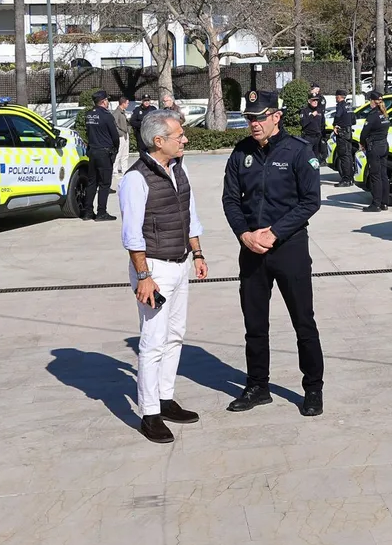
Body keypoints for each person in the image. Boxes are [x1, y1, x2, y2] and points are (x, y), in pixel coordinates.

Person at [221, 92, 325, 417]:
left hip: (289, 247)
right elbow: (230, 200)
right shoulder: (241, 153)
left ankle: (313, 389)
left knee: (303, 322)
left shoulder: (298, 151)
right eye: (249, 118)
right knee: (254, 324)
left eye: (259, 117)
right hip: (252, 249)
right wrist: (245, 234)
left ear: (276, 117)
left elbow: (310, 201)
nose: (254, 124)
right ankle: (257, 386)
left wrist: (275, 232)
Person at [119, 108, 207, 444]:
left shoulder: (178, 168)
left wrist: (197, 253)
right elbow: (132, 235)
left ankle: (165, 397)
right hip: (154, 268)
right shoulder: (136, 179)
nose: (185, 139)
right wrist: (144, 276)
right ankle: (149, 413)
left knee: (175, 335)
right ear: (159, 141)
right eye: (179, 135)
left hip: (180, 262)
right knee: (153, 341)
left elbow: (189, 214)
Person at [81, 90, 120, 221]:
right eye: (107, 100)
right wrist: (116, 149)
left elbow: (88, 133)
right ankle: (101, 212)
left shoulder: (88, 115)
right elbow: (115, 136)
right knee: (104, 184)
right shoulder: (107, 116)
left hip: (92, 151)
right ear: (103, 101)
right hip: (104, 152)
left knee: (92, 182)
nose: (108, 102)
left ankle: (87, 212)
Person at [359, 89, 391, 212]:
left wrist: (362, 143)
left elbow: (364, 132)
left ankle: (376, 204)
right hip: (384, 145)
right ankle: (384, 203)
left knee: (375, 176)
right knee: (383, 175)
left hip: (375, 147)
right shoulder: (384, 114)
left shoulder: (373, 115)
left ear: (372, 101)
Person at [331, 90, 357, 187]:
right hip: (349, 133)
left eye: (336, 96)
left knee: (343, 156)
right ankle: (350, 178)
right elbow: (354, 120)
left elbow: (337, 116)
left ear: (339, 97)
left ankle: (346, 179)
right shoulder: (349, 106)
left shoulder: (340, 106)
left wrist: (335, 125)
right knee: (348, 155)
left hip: (342, 133)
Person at [111, 96, 132, 191]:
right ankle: (115, 171)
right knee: (118, 154)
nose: (128, 105)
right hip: (121, 136)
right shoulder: (116, 112)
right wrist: (120, 134)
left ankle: (124, 170)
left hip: (125, 135)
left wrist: (128, 131)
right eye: (127, 103)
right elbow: (114, 125)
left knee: (125, 154)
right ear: (123, 103)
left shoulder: (123, 112)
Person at [300, 95, 328, 165]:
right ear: (309, 101)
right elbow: (303, 123)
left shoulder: (319, 111)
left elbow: (322, 124)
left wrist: (323, 136)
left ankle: (315, 170)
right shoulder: (304, 111)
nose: (315, 102)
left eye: (317, 100)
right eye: (313, 100)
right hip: (308, 137)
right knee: (307, 156)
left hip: (317, 137)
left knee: (316, 157)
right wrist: (312, 115)